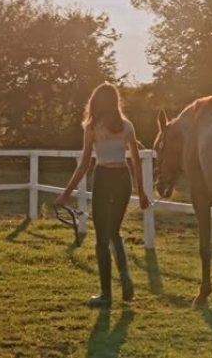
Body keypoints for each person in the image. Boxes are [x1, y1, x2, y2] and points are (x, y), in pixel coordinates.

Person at [55, 82, 150, 307]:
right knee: (114, 232)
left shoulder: (93, 128)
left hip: (104, 179)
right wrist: (143, 192)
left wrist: (66, 194)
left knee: (101, 238)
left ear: (96, 102)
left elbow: (85, 164)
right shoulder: (127, 126)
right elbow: (136, 161)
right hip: (123, 179)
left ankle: (106, 294)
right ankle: (125, 276)